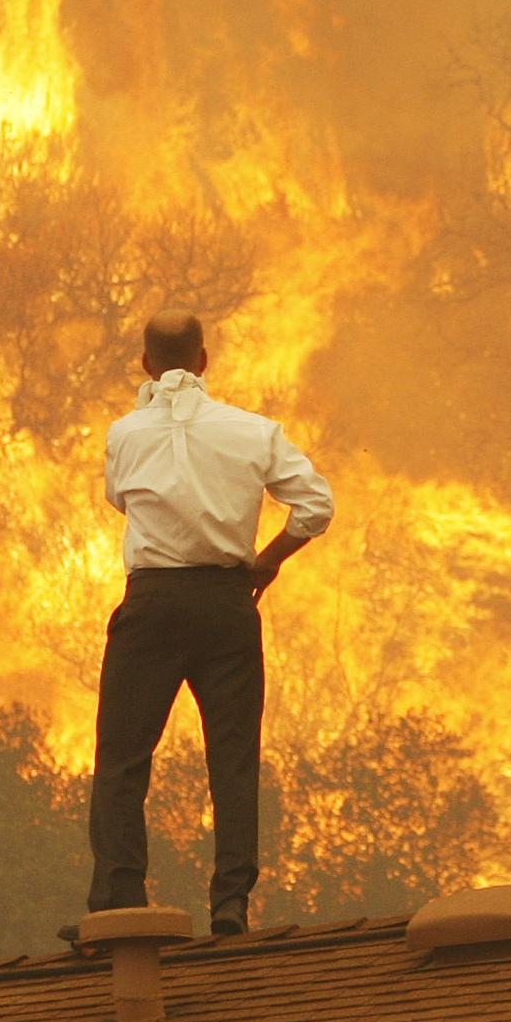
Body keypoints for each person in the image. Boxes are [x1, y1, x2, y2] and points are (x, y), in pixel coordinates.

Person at [86, 309, 333, 935]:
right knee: (232, 759)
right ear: (205, 359)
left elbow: (119, 499)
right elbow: (315, 506)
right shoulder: (254, 432)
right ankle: (230, 905)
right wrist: (267, 562)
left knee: (122, 758)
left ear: (146, 364)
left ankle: (119, 902)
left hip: (153, 603)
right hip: (227, 605)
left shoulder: (124, 434)